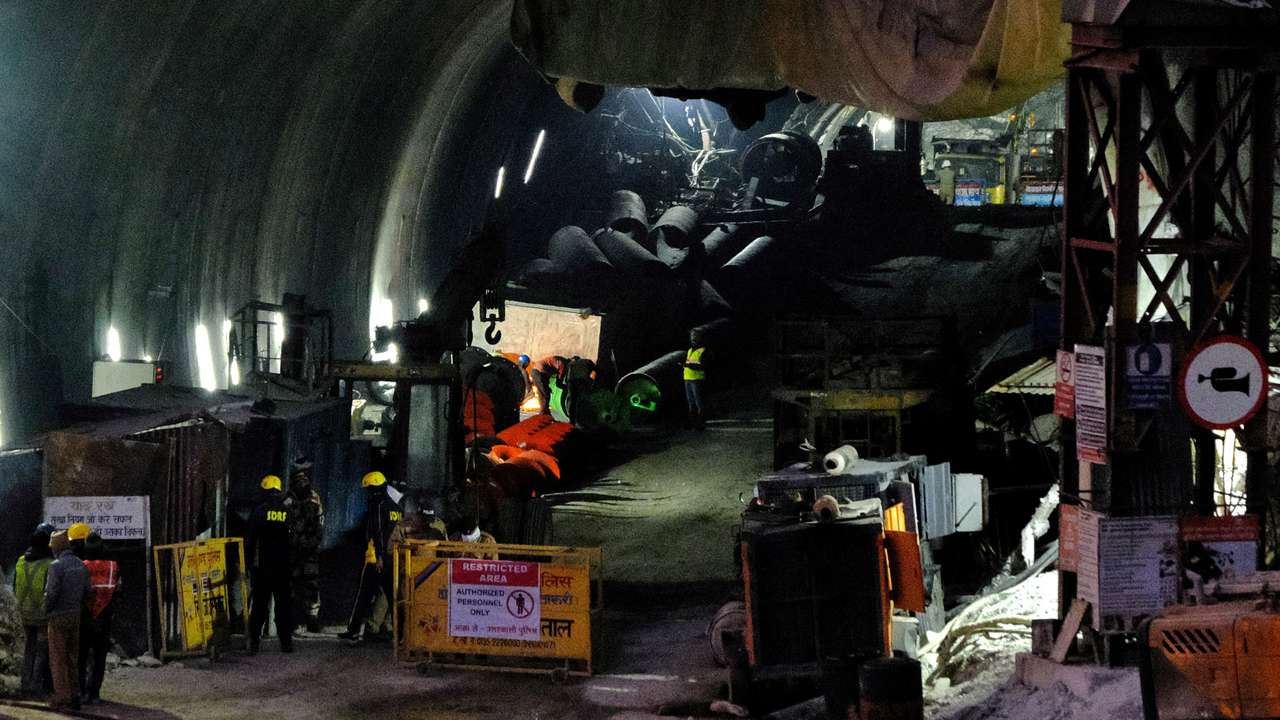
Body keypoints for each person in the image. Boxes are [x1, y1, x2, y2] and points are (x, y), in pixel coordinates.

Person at [338, 471, 402, 644]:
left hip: (376, 559)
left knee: (364, 596)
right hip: (393, 559)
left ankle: (352, 631)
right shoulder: (396, 507)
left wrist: (380, 556)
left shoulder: (379, 505)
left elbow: (379, 533)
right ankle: (404, 634)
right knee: (394, 598)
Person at [245, 475, 293, 654]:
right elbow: (295, 539)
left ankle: (254, 643)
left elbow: (249, 539)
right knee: (283, 605)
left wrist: (247, 563)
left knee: (259, 605)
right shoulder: (288, 511)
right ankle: (286, 643)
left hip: (263, 566)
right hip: (283, 566)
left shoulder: (259, 511)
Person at [44, 526, 90, 711]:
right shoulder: (81, 564)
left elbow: (51, 593)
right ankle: (75, 694)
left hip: (58, 616)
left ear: (57, 548)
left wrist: (46, 609)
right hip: (75, 615)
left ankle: (62, 697)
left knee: (58, 658)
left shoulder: (55, 567)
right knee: (72, 657)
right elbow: (88, 591)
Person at [13, 524, 54, 698]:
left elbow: (15, 586)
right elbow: (50, 591)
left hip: (23, 612)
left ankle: (24, 684)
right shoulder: (51, 564)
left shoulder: (21, 560)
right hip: (42, 614)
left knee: (28, 650)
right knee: (41, 651)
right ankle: (36, 687)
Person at [284, 456, 324, 633]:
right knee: (299, 586)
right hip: (299, 549)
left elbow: (319, 525)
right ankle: (304, 620)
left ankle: (310, 620)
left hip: (303, 549)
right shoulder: (309, 499)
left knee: (308, 585)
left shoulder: (289, 499)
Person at [78, 532, 119, 705]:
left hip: (85, 617)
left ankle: (82, 691)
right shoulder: (112, 566)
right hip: (104, 618)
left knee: (81, 656)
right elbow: (118, 590)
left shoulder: (81, 566)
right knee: (99, 657)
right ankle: (94, 693)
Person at [683, 329, 710, 430]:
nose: (692, 338)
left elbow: (704, 366)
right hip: (687, 379)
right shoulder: (690, 350)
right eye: (691, 336)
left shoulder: (703, 350)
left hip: (697, 379)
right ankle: (693, 422)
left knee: (699, 403)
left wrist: (689, 365)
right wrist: (686, 365)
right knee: (691, 403)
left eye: (695, 336)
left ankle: (701, 423)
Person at [566, 356, 596, 427]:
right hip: (583, 381)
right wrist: (592, 381)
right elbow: (595, 370)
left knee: (573, 401)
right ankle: (587, 419)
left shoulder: (570, 364)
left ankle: (572, 421)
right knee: (584, 399)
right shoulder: (587, 361)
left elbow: (568, 377)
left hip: (573, 382)